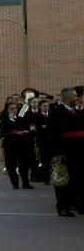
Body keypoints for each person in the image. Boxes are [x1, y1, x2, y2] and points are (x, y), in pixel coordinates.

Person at [49, 87, 83, 216]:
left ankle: (76, 204)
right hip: (63, 152)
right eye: (75, 96)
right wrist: (57, 153)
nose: (77, 98)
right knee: (62, 181)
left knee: (76, 179)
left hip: (78, 152)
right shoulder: (57, 112)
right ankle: (63, 207)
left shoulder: (78, 112)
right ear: (68, 98)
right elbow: (52, 135)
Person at [0, 101, 34, 189]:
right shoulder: (4, 119)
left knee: (24, 165)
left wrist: (25, 131)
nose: (14, 110)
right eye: (12, 109)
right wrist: (11, 120)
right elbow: (3, 131)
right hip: (10, 145)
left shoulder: (21, 118)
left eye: (15, 108)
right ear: (7, 110)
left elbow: (25, 127)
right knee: (11, 165)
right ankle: (15, 183)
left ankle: (26, 183)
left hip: (22, 144)